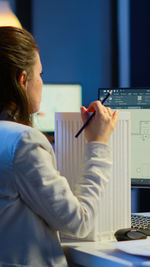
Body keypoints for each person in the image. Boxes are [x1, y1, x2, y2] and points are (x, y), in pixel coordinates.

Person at [0, 26, 118, 267]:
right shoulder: (23, 141)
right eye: (40, 74)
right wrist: (98, 144)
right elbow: (79, 223)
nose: (42, 82)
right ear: (22, 79)